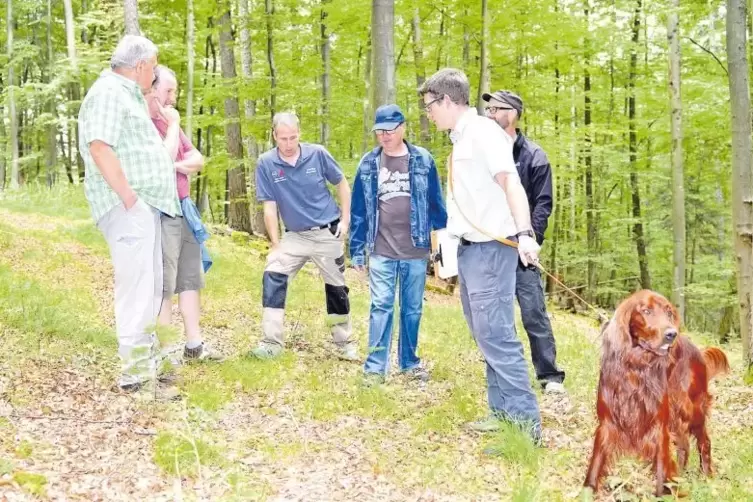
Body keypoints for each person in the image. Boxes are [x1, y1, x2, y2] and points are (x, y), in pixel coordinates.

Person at [419, 68, 542, 442]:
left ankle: (524, 427)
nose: (427, 113)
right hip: (469, 251)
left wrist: (524, 232)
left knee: (497, 335)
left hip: (492, 250)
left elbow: (511, 183)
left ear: (446, 100)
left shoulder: (483, 133)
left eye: (429, 105)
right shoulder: (462, 139)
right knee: (483, 333)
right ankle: (501, 412)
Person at [78, 35, 179, 398]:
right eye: (152, 67)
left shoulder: (127, 95)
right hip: (128, 208)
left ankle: (146, 369)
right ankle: (136, 377)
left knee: (149, 289)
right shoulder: (108, 92)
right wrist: (129, 198)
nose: (154, 75)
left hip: (144, 206)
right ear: (139, 66)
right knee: (137, 289)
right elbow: (99, 145)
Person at [349, 104, 448, 386]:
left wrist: (444, 248)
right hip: (381, 249)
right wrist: (356, 250)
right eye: (380, 130)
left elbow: (436, 206)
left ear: (403, 127)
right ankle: (374, 368)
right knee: (380, 305)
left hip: (416, 249)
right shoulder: (368, 164)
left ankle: (409, 363)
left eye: (390, 130)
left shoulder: (423, 160)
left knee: (412, 308)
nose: (384, 135)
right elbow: (359, 211)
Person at [251, 112, 356, 361]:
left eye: (293, 137)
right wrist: (275, 245)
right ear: (274, 136)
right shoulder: (266, 163)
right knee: (273, 273)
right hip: (294, 236)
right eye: (283, 138)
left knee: (336, 288)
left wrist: (345, 220)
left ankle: (344, 343)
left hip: (327, 232)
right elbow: (269, 208)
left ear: (300, 134)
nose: (288, 144)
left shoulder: (317, 154)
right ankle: (271, 342)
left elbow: (342, 184)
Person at [482, 89, 566, 394]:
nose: (489, 114)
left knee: (533, 311)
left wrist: (530, 238)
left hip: (520, 246)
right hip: (487, 244)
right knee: (491, 314)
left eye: (496, 110)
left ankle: (550, 375)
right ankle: (499, 375)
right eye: (487, 110)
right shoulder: (483, 150)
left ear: (513, 114)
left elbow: (543, 204)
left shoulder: (534, 156)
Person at [146, 65, 221, 363]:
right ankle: (163, 353)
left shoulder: (169, 124)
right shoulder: (146, 125)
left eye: (175, 91)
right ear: (152, 90)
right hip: (162, 213)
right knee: (164, 285)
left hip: (184, 208)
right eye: (168, 90)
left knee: (191, 279)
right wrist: (174, 128)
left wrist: (177, 165)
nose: (173, 98)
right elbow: (162, 161)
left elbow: (198, 159)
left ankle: (194, 346)